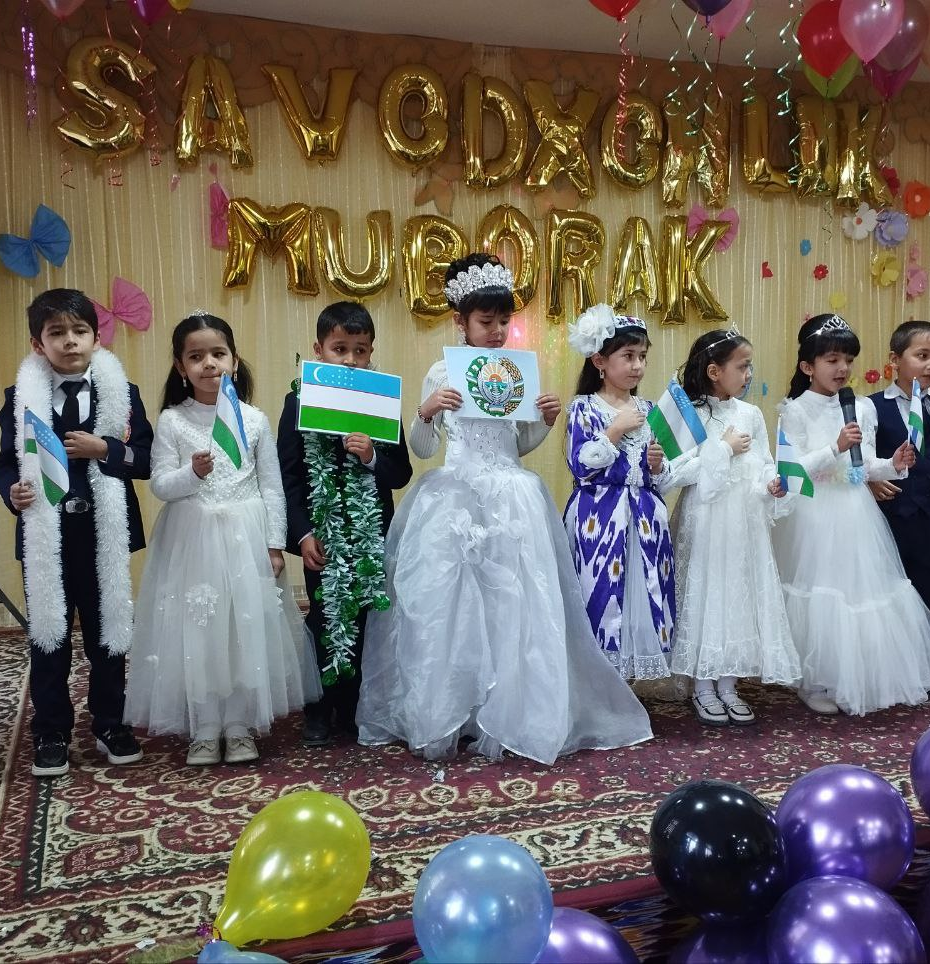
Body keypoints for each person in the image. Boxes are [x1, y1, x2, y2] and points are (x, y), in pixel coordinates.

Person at [356, 253, 653, 764]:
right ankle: (453, 712)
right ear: (461, 322)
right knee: (451, 608)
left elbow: (518, 444)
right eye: (485, 322)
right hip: (455, 497)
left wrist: (543, 421)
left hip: (512, 497)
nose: (496, 332)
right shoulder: (441, 372)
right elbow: (424, 449)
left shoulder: (516, 371)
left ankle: (509, 712)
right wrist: (426, 412)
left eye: (503, 322)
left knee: (512, 606)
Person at [125, 312, 319, 765]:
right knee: (199, 632)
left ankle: (238, 724)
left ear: (234, 359)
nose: (209, 364)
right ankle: (206, 726)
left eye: (218, 354)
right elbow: (160, 485)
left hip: (245, 539)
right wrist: (192, 474)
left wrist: (274, 544)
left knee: (241, 633)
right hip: (192, 541)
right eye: (196, 357)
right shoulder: (173, 421)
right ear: (181, 367)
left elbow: (272, 487)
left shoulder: (254, 419)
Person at [0, 288, 153, 778]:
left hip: (103, 535)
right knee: (50, 637)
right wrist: (12, 491)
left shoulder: (123, 394)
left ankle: (110, 723)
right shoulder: (20, 399)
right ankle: (51, 730)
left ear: (96, 338)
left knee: (108, 635)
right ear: (37, 344)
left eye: (80, 331)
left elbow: (145, 459)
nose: (70, 341)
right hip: (47, 536)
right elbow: (5, 465)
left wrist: (105, 449)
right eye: (56, 333)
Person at [771, 314, 930, 716]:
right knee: (820, 593)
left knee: (859, 591)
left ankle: (851, 674)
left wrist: (893, 464)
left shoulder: (861, 407)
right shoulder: (795, 410)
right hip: (815, 514)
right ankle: (814, 679)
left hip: (856, 511)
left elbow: (860, 467)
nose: (842, 368)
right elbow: (791, 471)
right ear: (808, 366)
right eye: (832, 360)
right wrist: (834, 447)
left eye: (847, 360)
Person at [277, 301, 413, 747]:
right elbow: (289, 477)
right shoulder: (298, 401)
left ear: (371, 352)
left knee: (371, 617)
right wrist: (302, 534)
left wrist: (372, 456)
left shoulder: (381, 402)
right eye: (340, 349)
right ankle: (319, 708)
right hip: (322, 536)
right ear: (319, 350)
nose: (351, 360)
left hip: (372, 535)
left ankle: (359, 705)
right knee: (324, 617)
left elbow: (401, 472)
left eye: (360, 350)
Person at [663, 328, 800, 725]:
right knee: (708, 595)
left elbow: (764, 462)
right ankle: (703, 686)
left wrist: (771, 483)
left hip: (744, 522)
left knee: (738, 597)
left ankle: (728, 683)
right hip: (706, 522)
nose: (748, 374)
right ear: (714, 371)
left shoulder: (751, 414)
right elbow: (672, 473)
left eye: (749, 366)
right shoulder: (690, 414)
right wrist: (722, 449)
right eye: (742, 366)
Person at [562, 304, 675, 682]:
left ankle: (628, 682)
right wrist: (614, 430)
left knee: (642, 590)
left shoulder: (649, 409)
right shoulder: (583, 408)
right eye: (628, 356)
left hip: (644, 518)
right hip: (599, 518)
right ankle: (599, 682)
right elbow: (581, 465)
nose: (637, 365)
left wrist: (657, 465)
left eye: (642, 356)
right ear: (599, 361)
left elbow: (661, 474)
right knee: (601, 594)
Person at [866, 321, 930, 704]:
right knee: (888, 591)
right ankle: (886, 664)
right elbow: (859, 461)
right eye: (922, 356)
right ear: (895, 359)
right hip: (889, 516)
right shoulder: (873, 406)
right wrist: (871, 481)